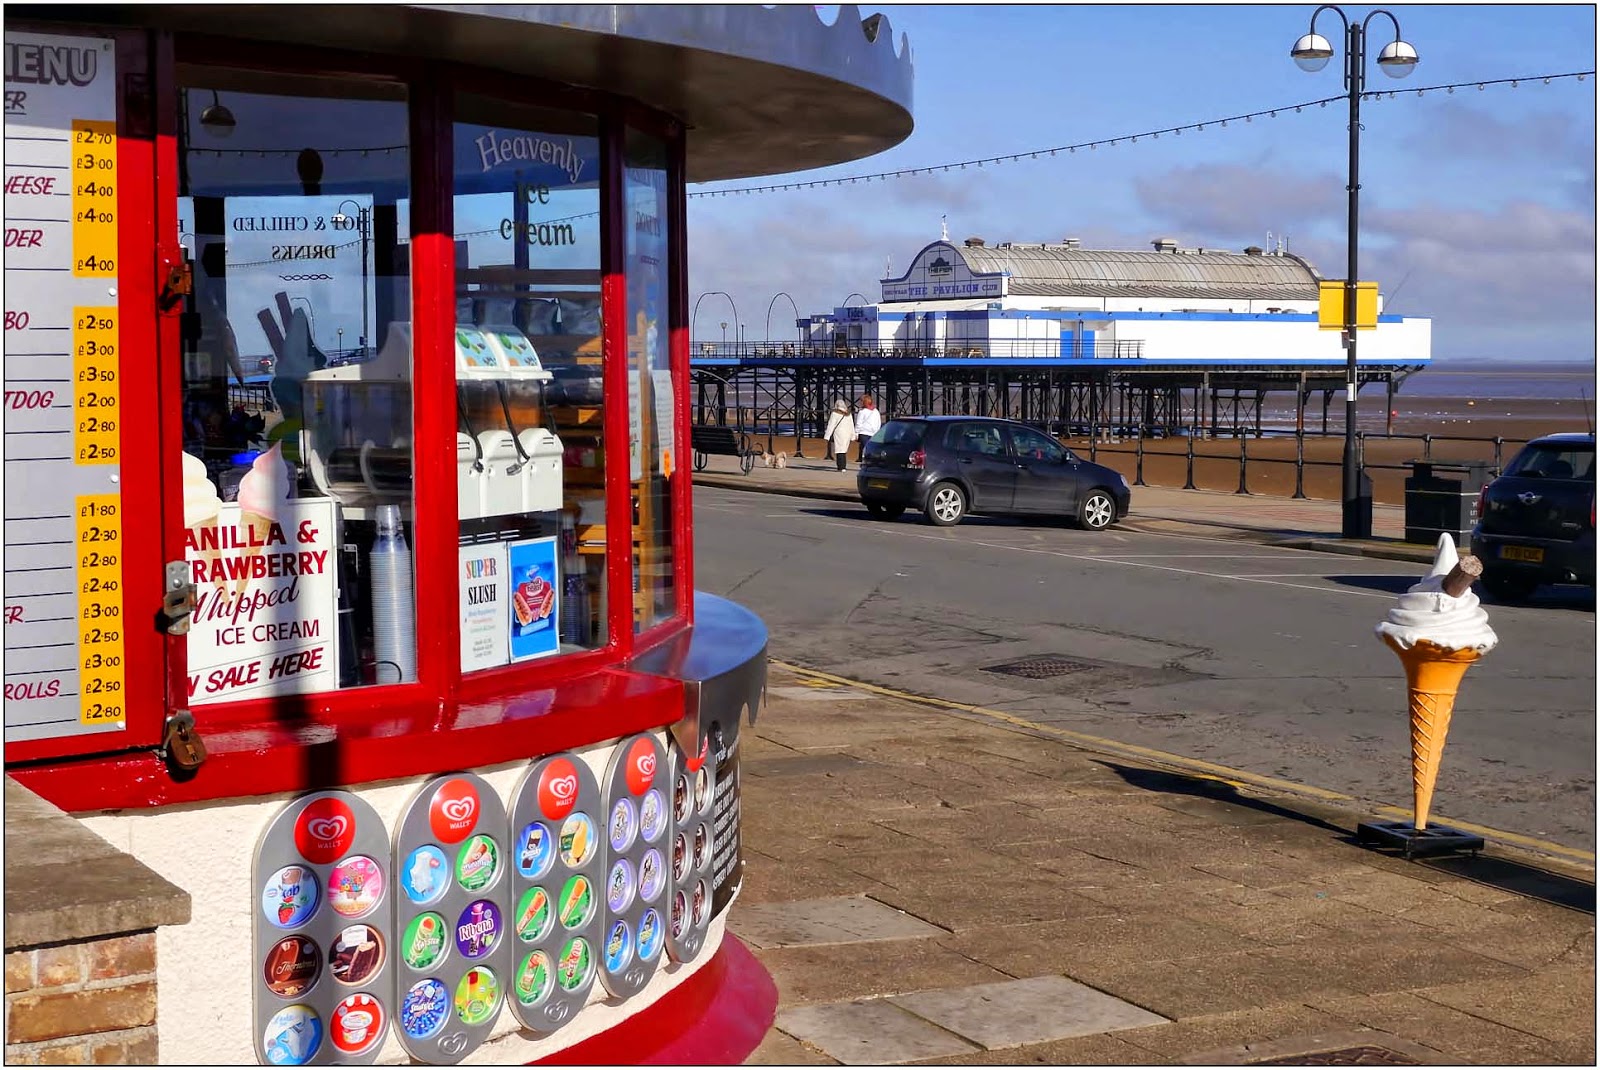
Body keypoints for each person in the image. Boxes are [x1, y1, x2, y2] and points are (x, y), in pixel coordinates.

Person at [823, 398, 853, 472]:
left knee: (839, 450)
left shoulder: (835, 413)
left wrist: (827, 436)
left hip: (839, 433)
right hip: (847, 433)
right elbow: (851, 425)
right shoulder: (848, 414)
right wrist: (853, 435)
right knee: (844, 450)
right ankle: (843, 466)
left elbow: (831, 425)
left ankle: (841, 467)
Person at [854, 394, 881, 464]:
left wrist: (856, 433)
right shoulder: (876, 411)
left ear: (864, 402)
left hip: (864, 432)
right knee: (872, 447)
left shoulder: (862, 412)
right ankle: (870, 460)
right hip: (874, 432)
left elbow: (858, 423)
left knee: (865, 447)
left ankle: (864, 460)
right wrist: (877, 431)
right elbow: (879, 422)